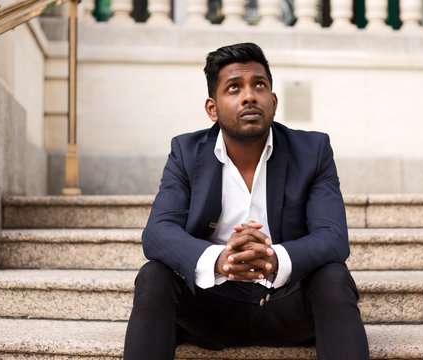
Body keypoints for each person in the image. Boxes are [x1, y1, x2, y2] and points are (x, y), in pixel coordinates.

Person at [124, 42, 370, 360]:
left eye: (259, 85)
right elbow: (157, 233)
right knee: (154, 275)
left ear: (273, 100)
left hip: (287, 306)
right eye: (234, 87)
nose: (249, 95)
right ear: (212, 108)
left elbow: (333, 238)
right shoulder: (186, 153)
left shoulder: (313, 151)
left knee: (334, 276)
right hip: (211, 309)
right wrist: (220, 260)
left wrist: (273, 258)